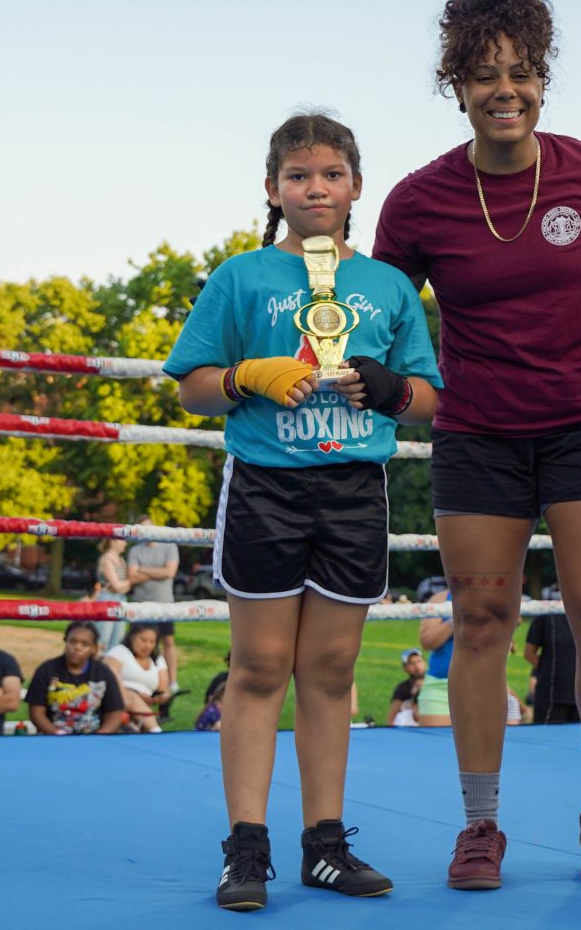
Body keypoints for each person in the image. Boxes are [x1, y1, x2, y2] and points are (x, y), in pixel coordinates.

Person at [374, 0, 581, 892]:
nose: (506, 90)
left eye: (522, 72)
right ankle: (480, 827)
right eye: (484, 74)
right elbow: (378, 314)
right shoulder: (419, 199)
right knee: (482, 621)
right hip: (478, 433)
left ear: (545, 79)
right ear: (455, 86)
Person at [166, 112, 440, 911]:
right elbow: (189, 387)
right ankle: (244, 850)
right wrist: (247, 373)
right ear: (272, 188)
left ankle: (326, 844)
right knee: (257, 670)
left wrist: (389, 388)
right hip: (267, 485)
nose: (314, 188)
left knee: (329, 672)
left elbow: (429, 399)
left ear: (357, 186)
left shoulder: (389, 286)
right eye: (298, 175)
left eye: (330, 174)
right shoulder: (240, 278)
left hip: (354, 490)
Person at [25, 621, 125, 737]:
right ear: (65, 641)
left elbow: (115, 714)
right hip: (53, 739)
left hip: (93, 739)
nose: (77, 647)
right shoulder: (46, 670)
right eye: (73, 641)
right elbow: (36, 713)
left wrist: (99, 737)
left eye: (84, 644)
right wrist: (56, 733)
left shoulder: (103, 672)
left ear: (94, 648)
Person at [124, 530, 181, 693]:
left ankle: (172, 681)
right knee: (137, 643)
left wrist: (142, 570)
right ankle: (136, 681)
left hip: (165, 605)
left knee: (168, 642)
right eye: (141, 529)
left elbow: (170, 572)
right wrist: (159, 571)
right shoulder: (135, 550)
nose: (145, 532)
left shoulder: (169, 546)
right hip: (141, 606)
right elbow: (131, 577)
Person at [104, 622, 173, 733]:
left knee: (134, 698)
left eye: (152, 642)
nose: (148, 645)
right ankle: (155, 730)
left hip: (146, 703)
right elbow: (109, 676)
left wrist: (160, 697)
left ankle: (136, 725)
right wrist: (135, 694)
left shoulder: (158, 660)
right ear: (132, 637)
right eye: (143, 640)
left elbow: (164, 689)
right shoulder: (120, 652)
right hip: (118, 698)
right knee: (130, 695)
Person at [526, 608, 580, 726]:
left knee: (580, 741)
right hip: (551, 696)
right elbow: (529, 653)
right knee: (546, 739)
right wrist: (550, 670)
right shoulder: (547, 616)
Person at [415, 588, 453, 727]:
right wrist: (455, 621)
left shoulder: (495, 594)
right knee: (435, 744)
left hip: (484, 686)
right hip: (440, 686)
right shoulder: (441, 599)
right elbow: (427, 641)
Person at [88, 537, 130, 650]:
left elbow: (125, 586)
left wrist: (122, 585)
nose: (125, 543)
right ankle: (97, 666)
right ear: (112, 541)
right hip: (106, 599)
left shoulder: (121, 560)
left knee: (118, 640)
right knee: (103, 640)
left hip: (121, 599)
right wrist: (124, 584)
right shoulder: (106, 559)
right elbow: (118, 585)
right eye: (122, 540)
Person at [388, 648, 427, 726]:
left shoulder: (433, 684)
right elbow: (392, 717)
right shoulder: (402, 688)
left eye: (419, 661)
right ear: (405, 668)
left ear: (425, 663)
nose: (417, 666)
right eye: (411, 663)